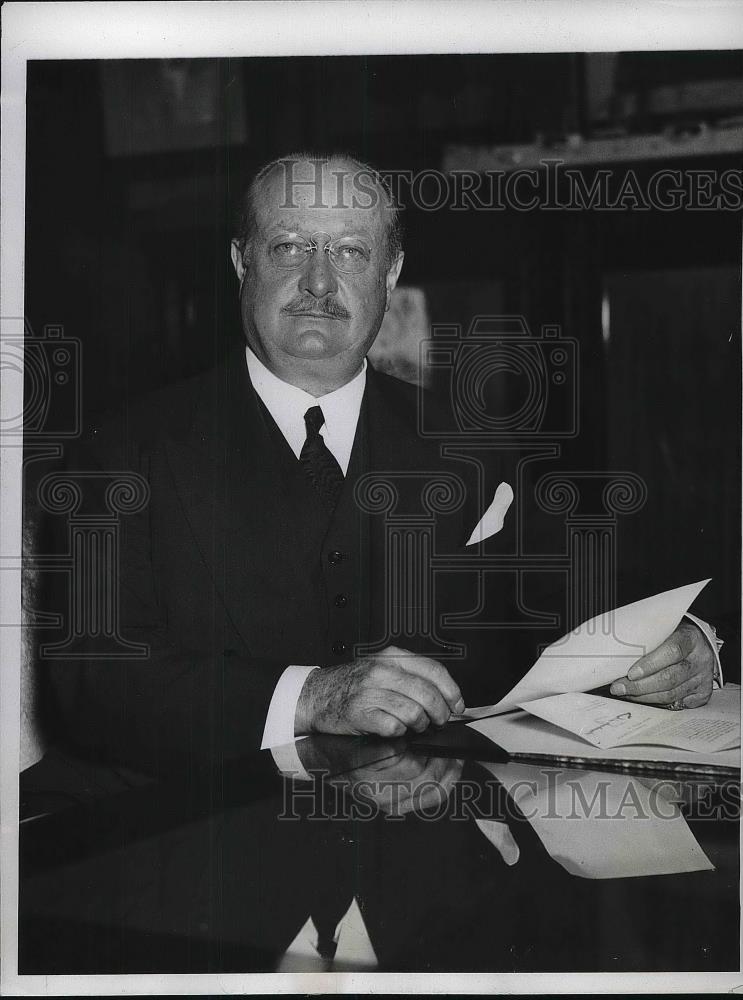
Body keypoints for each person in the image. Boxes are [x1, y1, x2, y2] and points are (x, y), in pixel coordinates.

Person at [40, 153, 720, 779]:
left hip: (426, 862)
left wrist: (679, 647)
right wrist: (311, 695)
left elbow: (578, 599)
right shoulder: (119, 452)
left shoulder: (468, 443)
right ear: (241, 262)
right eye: (289, 247)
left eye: (349, 251)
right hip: (202, 856)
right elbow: (93, 683)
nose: (317, 282)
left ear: (389, 273)